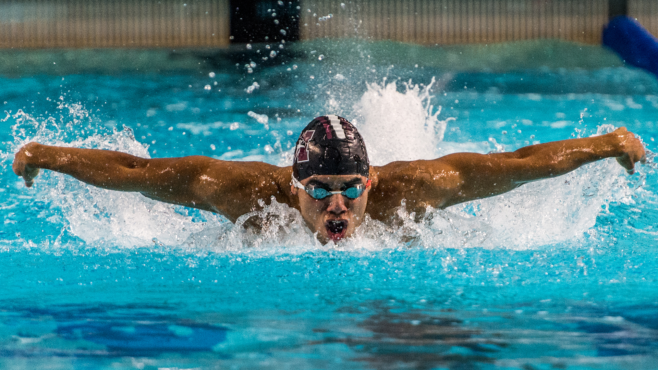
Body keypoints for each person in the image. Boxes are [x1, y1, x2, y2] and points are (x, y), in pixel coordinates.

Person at [13, 115, 646, 243]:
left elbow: (514, 164)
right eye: (319, 190)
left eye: (349, 187)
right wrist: (46, 153)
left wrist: (606, 145)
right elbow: (138, 173)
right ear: (294, 188)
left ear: (371, 182)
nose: (336, 203)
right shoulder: (242, 194)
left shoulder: (415, 189)